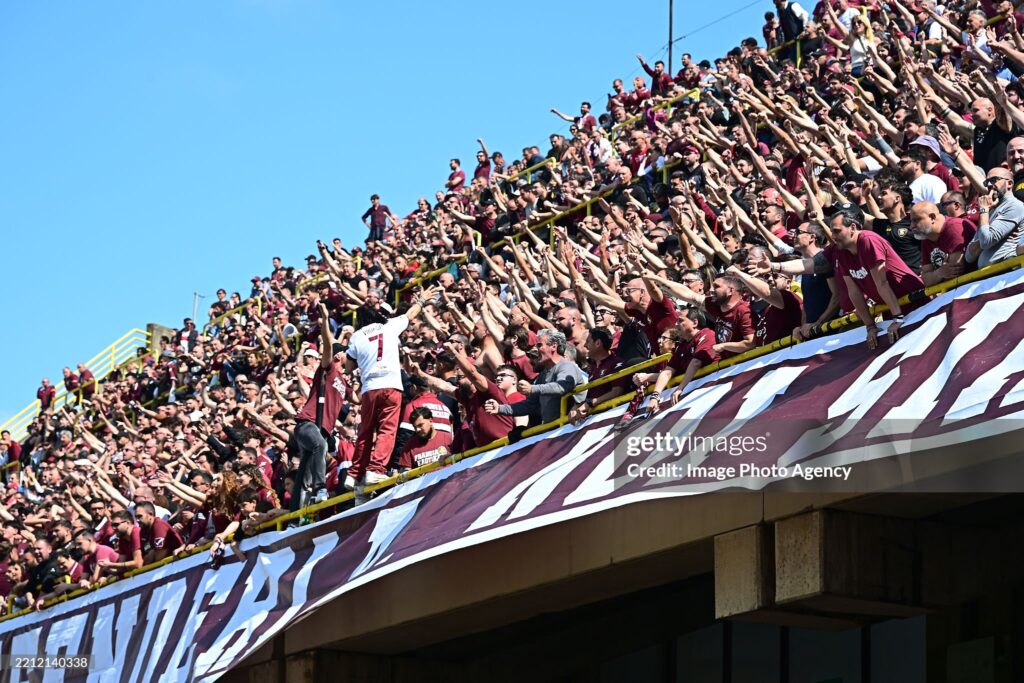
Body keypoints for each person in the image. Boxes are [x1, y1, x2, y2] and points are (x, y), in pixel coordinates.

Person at [344, 287, 438, 492]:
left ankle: (354, 473)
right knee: (387, 429)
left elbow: (349, 367)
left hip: (369, 388)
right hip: (391, 384)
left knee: (365, 431)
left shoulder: (356, 336)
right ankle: (375, 470)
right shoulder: (388, 326)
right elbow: (410, 314)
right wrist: (421, 300)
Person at [288, 303, 356, 510]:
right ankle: (320, 489)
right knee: (320, 446)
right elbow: (327, 344)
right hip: (308, 424)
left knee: (303, 475)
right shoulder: (328, 370)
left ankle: (296, 513)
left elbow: (360, 400)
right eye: (346, 354)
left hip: (322, 430)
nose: (349, 357)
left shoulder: (344, 383)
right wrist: (326, 320)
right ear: (338, 356)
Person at [830, 212, 926, 350]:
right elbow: (854, 292)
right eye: (832, 232)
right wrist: (870, 326)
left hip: (915, 302)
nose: (833, 236)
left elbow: (882, 283)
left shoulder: (868, 240)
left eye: (837, 231)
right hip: (892, 308)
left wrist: (898, 318)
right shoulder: (840, 250)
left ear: (852, 227)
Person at [486, 329, 587, 427]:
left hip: (571, 429)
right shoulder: (542, 375)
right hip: (554, 432)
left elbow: (561, 386)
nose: (535, 350)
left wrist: (532, 388)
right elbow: (530, 405)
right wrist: (500, 408)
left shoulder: (566, 366)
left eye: (539, 345)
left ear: (553, 346)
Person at [965, 166, 1024, 269]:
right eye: (986, 182)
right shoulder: (989, 210)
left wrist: (983, 211)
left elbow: (986, 241)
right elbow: (969, 256)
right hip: (991, 277)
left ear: (1009, 184)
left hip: (1007, 272)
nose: (988, 185)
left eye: (993, 180)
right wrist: (986, 233)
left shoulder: (1015, 206)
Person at [909, 201, 976, 286]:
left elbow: (954, 272)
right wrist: (939, 273)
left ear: (932, 217)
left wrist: (934, 276)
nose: (911, 226)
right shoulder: (926, 236)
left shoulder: (954, 227)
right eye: (911, 221)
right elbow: (925, 280)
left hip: (974, 287)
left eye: (916, 220)